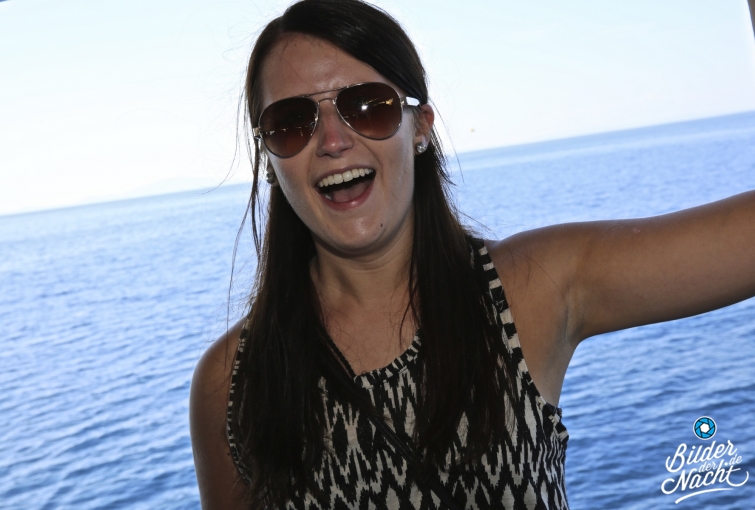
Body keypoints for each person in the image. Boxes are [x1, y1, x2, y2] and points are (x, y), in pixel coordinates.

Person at [189, 0, 755, 508]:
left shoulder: (532, 289)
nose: (333, 141)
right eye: (292, 123)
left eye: (368, 106)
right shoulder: (231, 382)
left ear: (420, 128)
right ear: (269, 159)